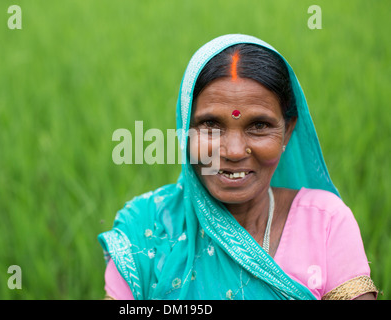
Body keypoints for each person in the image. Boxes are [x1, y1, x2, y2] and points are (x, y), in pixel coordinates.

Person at [98, 34, 378, 300]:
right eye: (210, 125)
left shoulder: (325, 222)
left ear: (288, 131)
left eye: (259, 126)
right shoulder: (146, 227)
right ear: (186, 129)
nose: (233, 151)